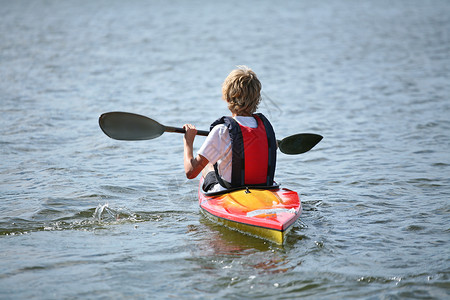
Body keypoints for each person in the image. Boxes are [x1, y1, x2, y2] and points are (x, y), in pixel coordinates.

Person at [183, 66, 277, 192]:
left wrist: (188, 142)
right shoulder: (266, 129)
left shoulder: (221, 131)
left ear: (227, 98)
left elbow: (190, 173)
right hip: (264, 188)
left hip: (230, 192)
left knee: (208, 164)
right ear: (257, 99)